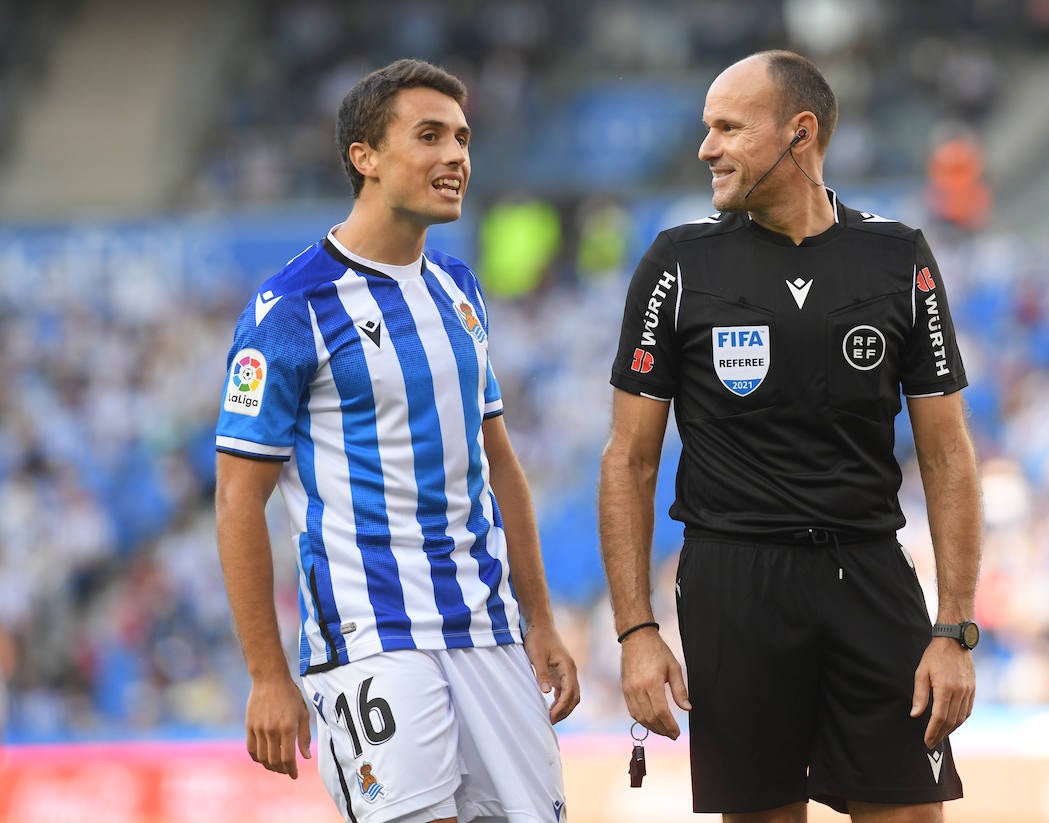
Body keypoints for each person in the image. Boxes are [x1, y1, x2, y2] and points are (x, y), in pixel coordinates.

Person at [598, 50, 982, 822]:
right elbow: (629, 460)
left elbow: (946, 455)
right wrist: (637, 631)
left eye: (728, 127)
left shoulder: (899, 257)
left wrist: (955, 626)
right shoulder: (677, 264)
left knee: (911, 813)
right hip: (734, 581)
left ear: (799, 133)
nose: (707, 147)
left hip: (869, 574)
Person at [214, 59, 578, 823]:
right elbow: (238, 497)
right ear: (365, 157)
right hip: (370, 639)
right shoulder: (291, 307)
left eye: (463, 138)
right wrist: (266, 674)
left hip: (487, 628)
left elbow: (500, 465)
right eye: (430, 135)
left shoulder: (458, 288)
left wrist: (539, 617)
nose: (456, 156)